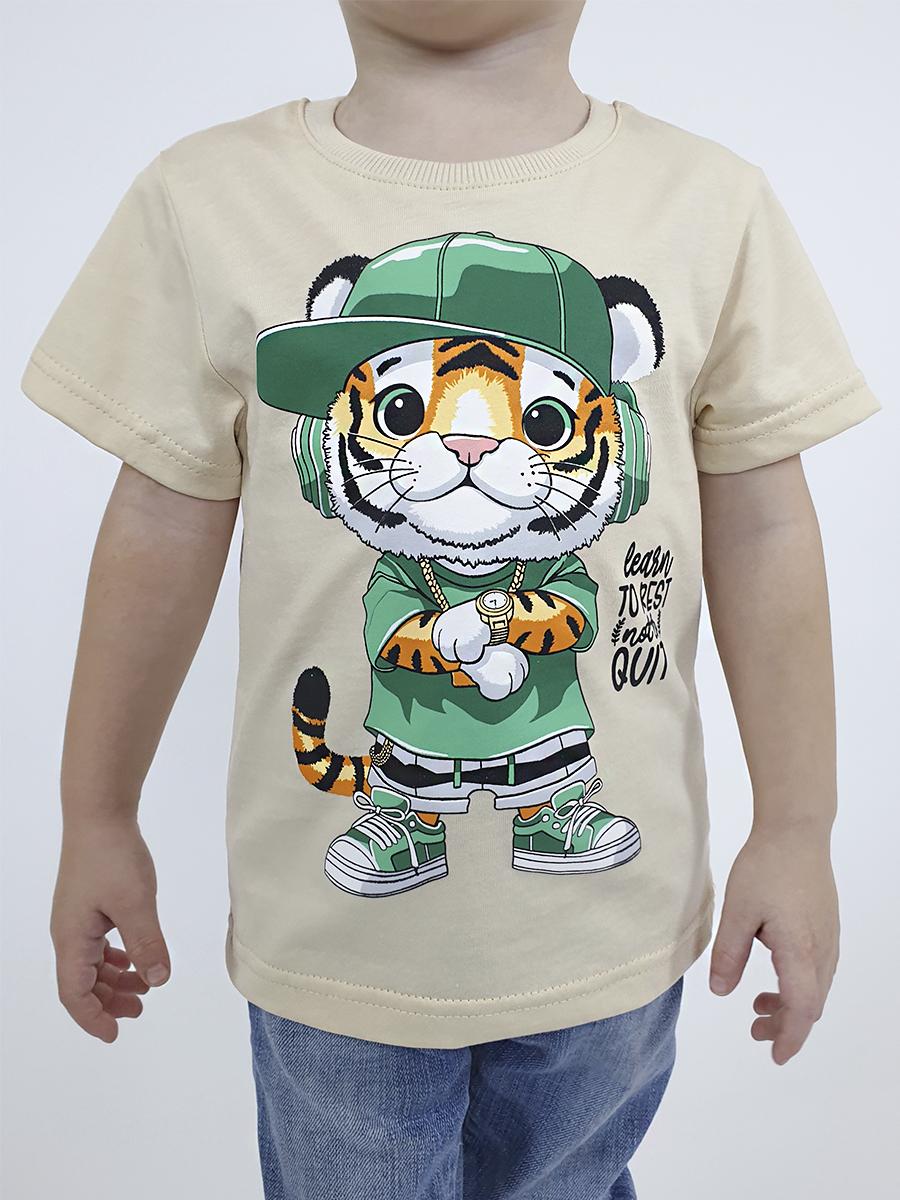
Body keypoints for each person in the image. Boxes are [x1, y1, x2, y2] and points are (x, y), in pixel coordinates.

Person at [21, 1, 880, 1196]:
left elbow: (768, 527)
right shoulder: (203, 197)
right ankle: (404, 817)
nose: (471, 449)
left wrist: (796, 827)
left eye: (535, 419)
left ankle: (547, 810)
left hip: (613, 934)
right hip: (332, 949)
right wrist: (96, 815)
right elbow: (160, 521)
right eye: (407, 410)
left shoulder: (712, 204)